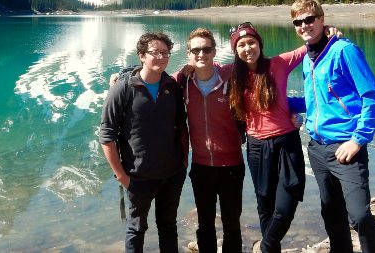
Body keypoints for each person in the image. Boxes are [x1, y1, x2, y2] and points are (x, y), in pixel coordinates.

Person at [290, 0, 375, 253]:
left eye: (309, 19)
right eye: (298, 22)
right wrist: (282, 105)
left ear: (322, 20)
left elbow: (373, 98)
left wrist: (357, 140)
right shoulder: (308, 58)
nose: (304, 25)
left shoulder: (344, 50)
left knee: (359, 215)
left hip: (346, 147)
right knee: (331, 214)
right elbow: (316, 101)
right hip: (317, 148)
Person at [99, 32, 188, 253]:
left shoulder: (171, 86)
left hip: (171, 174)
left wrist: (183, 165)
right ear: (141, 55)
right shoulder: (123, 88)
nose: (160, 57)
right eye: (154, 52)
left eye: (165, 53)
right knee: (136, 229)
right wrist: (121, 176)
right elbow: (107, 135)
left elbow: (181, 127)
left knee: (168, 226)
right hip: (138, 177)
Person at [228, 22, 307, 253]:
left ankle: (266, 246)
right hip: (256, 146)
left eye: (251, 42)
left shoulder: (278, 64)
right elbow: (201, 69)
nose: (247, 48)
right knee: (265, 203)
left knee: (288, 200)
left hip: (287, 141)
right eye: (241, 45)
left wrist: (329, 31)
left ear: (259, 44)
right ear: (235, 50)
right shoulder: (232, 75)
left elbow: (309, 46)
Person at [173, 28, 245, 253]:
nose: (201, 54)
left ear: (214, 51)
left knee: (232, 224)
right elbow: (152, 78)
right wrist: (124, 75)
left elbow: (267, 68)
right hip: (201, 166)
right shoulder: (183, 82)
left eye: (206, 49)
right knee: (204, 225)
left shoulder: (230, 75)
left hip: (232, 165)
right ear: (188, 53)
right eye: (195, 50)